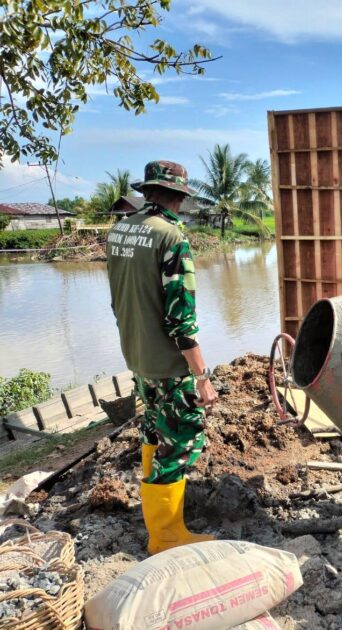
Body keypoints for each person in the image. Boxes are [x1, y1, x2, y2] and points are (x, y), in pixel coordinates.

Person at [106, 160, 218, 554]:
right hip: (169, 366)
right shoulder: (170, 237)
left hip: (137, 356)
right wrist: (202, 377)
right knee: (182, 439)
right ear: (177, 197)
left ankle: (159, 527)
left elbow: (119, 298)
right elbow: (180, 320)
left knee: (154, 429)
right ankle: (168, 537)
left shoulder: (121, 230)